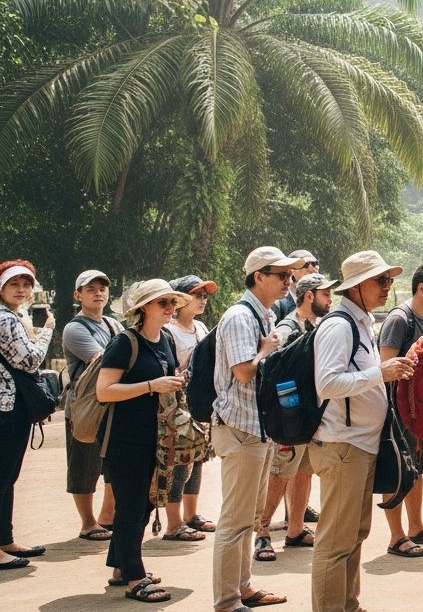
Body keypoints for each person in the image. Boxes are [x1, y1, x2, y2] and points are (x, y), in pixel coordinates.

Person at [310, 251, 414, 612]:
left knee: (354, 536)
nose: (387, 287)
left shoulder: (361, 322)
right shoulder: (339, 326)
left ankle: (348, 605)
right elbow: (327, 383)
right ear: (355, 287)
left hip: (359, 444)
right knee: (335, 542)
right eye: (379, 280)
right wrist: (380, 374)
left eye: (388, 280)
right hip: (343, 445)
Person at [212, 246, 303, 612]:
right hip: (240, 427)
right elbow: (244, 371)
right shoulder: (239, 316)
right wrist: (266, 349)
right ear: (258, 277)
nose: (288, 281)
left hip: (256, 427)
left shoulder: (263, 313)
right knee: (235, 522)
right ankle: (227, 601)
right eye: (281, 275)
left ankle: (243, 588)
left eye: (290, 275)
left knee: (248, 519)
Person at [94, 279, 189, 601]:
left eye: (171, 302)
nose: (169, 308)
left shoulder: (164, 339)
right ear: (144, 307)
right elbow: (104, 390)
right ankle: (135, 578)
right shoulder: (125, 342)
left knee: (146, 503)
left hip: (155, 438)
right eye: (162, 302)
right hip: (125, 439)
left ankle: (121, 566)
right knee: (131, 507)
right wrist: (152, 385)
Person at [254, 272, 335, 561]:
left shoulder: (316, 325)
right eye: (326, 294)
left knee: (304, 471)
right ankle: (261, 532)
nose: (330, 300)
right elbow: (272, 372)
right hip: (292, 418)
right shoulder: (287, 328)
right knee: (280, 473)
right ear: (309, 296)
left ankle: (296, 530)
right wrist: (288, 417)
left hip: (308, 417)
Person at [378, 263, 423, 558]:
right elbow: (385, 366)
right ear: (421, 287)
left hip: (421, 410)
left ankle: (416, 526)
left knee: (418, 468)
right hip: (398, 410)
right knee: (398, 470)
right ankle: (396, 536)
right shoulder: (400, 319)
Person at [0, 260, 53, 569]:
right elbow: (31, 360)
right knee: (3, 477)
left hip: (13, 404)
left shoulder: (15, 316)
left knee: (9, 477)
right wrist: (46, 332)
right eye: (13, 284)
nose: (21, 289)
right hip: (6, 408)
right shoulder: (6, 320)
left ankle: (5, 539)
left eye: (26, 284)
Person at [157, 274, 218, 543]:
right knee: (179, 461)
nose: (202, 300)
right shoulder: (168, 332)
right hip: (176, 406)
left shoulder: (202, 328)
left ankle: (191, 514)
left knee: (198, 457)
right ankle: (173, 522)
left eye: (205, 295)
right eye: (197, 295)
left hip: (199, 403)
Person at [60, 268, 118, 542]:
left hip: (111, 406)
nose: (98, 293)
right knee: (83, 465)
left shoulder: (112, 324)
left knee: (112, 465)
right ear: (78, 295)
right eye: (91, 289)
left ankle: (106, 517)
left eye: (102, 288)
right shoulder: (75, 328)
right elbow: (104, 361)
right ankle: (87, 523)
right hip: (84, 409)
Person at [271, 250, 319, 322]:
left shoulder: (320, 301)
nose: (312, 267)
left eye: (315, 263)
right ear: (290, 271)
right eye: (306, 264)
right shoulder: (279, 304)